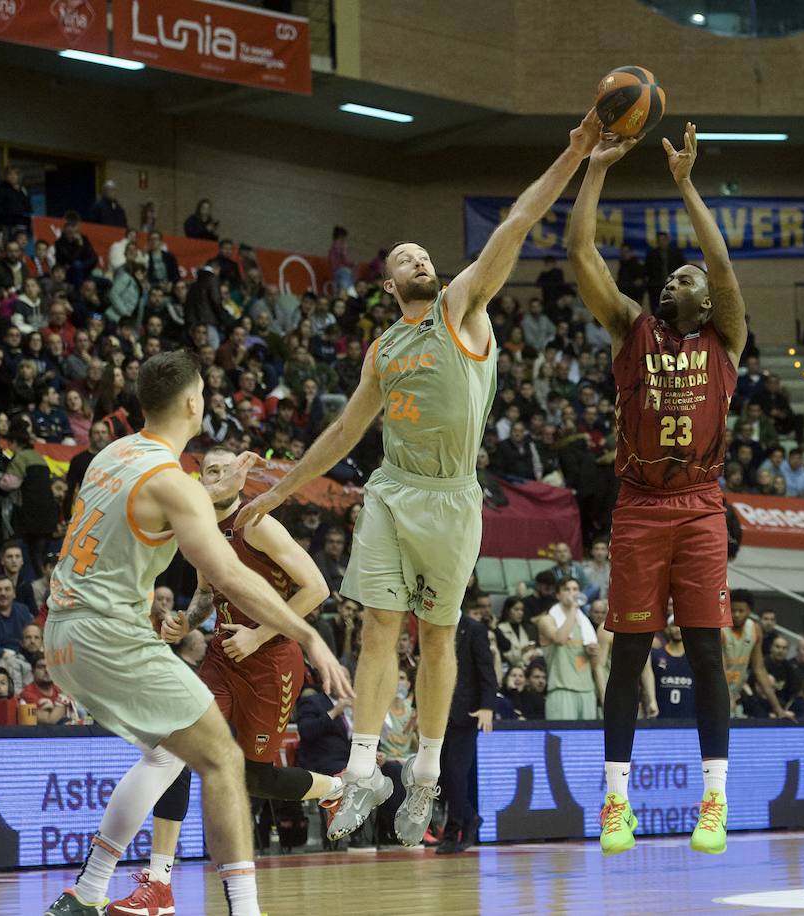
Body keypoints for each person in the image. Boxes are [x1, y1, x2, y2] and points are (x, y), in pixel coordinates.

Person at [235, 112, 603, 850]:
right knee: (378, 626)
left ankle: (426, 774)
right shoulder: (383, 349)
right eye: (406, 257)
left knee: (437, 638)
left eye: (425, 253)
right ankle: (364, 769)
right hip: (391, 489)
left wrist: (575, 152)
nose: (419, 259)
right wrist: (278, 490)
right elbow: (344, 433)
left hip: (453, 496)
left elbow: (518, 223)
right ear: (388, 281)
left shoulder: (461, 306)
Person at [41, 351, 349, 916]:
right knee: (224, 762)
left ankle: (92, 892)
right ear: (192, 402)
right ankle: (241, 908)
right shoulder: (175, 485)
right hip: (110, 634)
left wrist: (214, 495)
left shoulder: (113, 454)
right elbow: (228, 573)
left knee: (168, 756)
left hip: (62, 634)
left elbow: (157, 508)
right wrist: (308, 635)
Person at [569, 123, 745, 856]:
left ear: (707, 303)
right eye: (671, 277)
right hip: (640, 506)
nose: (675, 281)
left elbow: (721, 261)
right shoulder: (631, 329)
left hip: (700, 506)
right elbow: (581, 253)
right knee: (629, 656)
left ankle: (715, 800)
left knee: (706, 652)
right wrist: (594, 169)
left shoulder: (725, 338)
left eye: (686, 279)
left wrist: (685, 183)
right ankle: (616, 802)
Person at [107, 447, 347, 915]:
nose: (214, 476)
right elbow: (204, 593)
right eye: (207, 470)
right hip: (222, 657)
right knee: (178, 748)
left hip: (272, 661)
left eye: (222, 469)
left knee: (254, 777)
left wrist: (258, 635)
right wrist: (187, 621)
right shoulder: (199, 529)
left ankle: (334, 789)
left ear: (240, 475)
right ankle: (159, 883)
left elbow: (317, 588)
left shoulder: (257, 524)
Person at [435, 609, 497, 855]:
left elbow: (486, 669)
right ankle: (470, 818)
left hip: (466, 713)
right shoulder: (434, 625)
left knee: (455, 773)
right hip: (438, 714)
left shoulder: (474, 629)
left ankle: (453, 833)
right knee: (441, 775)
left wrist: (487, 706)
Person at [536, 576, 602, 719]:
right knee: (561, 733)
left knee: (587, 734)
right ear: (558, 595)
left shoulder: (585, 624)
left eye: (575, 589)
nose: (572, 593)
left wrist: (593, 652)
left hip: (587, 690)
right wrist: (573, 608)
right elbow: (560, 639)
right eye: (567, 589)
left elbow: (596, 664)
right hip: (561, 689)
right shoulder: (547, 620)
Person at [721, 591, 790, 720]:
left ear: (749, 611)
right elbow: (720, 669)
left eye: (741, 611)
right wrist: (727, 698)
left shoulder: (755, 629)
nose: (736, 614)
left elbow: (759, 669)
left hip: (736, 691)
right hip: (717, 691)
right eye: (733, 610)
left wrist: (777, 708)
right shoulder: (721, 630)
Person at [647, 621, 695, 718]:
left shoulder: (695, 657)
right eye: (674, 626)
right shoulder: (655, 655)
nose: (678, 629)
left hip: (690, 718)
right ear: (667, 628)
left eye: (681, 625)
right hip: (660, 717)